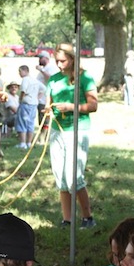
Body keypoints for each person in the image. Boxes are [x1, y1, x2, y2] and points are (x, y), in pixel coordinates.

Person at [46, 43, 98, 229]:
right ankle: (67, 219)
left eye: (63, 61)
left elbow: (93, 106)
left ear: (73, 59)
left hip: (77, 130)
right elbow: (48, 104)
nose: (60, 65)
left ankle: (87, 217)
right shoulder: (53, 79)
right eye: (57, 61)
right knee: (61, 177)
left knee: (74, 178)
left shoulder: (85, 78)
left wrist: (70, 107)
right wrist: (48, 110)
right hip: (57, 131)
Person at [15, 65, 45, 149]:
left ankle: (23, 143)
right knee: (30, 123)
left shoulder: (25, 79)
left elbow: (23, 90)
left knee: (22, 122)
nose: (19, 73)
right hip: (34, 104)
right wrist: (37, 97)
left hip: (26, 103)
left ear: (25, 71)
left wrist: (20, 99)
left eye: (20, 71)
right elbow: (43, 89)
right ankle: (29, 142)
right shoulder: (35, 80)